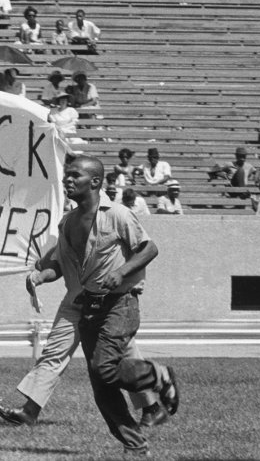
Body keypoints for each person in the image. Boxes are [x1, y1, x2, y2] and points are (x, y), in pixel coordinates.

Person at [21, 155, 179, 456]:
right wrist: (42, 275)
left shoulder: (117, 214)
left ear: (94, 181)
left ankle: (159, 376)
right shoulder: (67, 222)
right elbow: (63, 265)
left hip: (120, 303)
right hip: (87, 308)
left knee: (105, 368)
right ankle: (135, 446)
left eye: (75, 175)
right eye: (67, 175)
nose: (68, 180)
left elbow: (149, 248)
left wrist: (121, 272)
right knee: (103, 391)